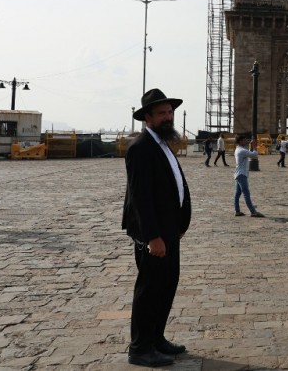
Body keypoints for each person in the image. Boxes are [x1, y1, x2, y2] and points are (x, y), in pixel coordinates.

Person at [122, 89, 192, 367]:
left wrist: (178, 224)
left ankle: (157, 338)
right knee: (150, 288)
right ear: (147, 117)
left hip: (169, 231)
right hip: (155, 236)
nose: (168, 117)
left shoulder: (162, 144)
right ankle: (140, 348)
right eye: (162, 113)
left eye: (170, 112)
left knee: (166, 285)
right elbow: (141, 196)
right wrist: (152, 236)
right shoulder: (140, 148)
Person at [233, 134, 265, 217]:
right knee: (246, 194)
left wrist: (251, 146)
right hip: (242, 174)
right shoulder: (242, 151)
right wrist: (254, 146)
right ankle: (253, 211)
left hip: (238, 173)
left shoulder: (239, 149)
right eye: (244, 140)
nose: (246, 141)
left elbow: (249, 153)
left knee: (237, 194)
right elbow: (254, 154)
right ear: (240, 141)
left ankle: (237, 210)